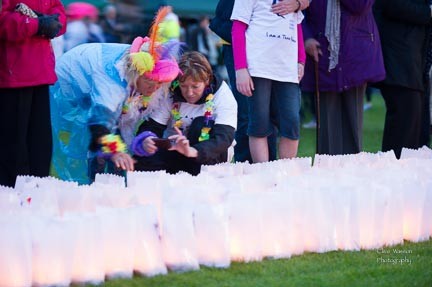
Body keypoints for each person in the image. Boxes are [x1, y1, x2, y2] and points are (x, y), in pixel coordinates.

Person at [50, 6, 181, 184]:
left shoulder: (149, 75)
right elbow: (100, 122)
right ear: (137, 74)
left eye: (160, 84)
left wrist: (129, 146)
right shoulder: (112, 81)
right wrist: (115, 150)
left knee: (115, 140)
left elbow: (129, 122)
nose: (155, 88)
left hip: (99, 83)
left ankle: (111, 183)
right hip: (71, 87)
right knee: (79, 141)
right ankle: (80, 187)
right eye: (150, 83)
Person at [210, 0, 310, 163]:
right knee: (258, 123)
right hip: (258, 67)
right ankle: (261, 171)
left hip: (286, 69)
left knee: (291, 124)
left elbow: (297, 24)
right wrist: (241, 68)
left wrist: (301, 59)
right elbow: (238, 28)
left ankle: (287, 171)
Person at [132, 51, 237, 175]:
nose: (189, 92)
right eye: (184, 86)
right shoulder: (170, 92)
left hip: (208, 153)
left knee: (200, 123)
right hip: (176, 149)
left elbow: (224, 138)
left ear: (207, 80)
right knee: (142, 159)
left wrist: (192, 151)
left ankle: (195, 175)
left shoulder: (222, 94)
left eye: (195, 86)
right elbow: (153, 126)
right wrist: (147, 139)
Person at [301, 0, 386, 155]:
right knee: (327, 125)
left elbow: (361, 6)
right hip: (322, 54)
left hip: (354, 54)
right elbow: (298, 11)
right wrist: (305, 38)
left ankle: (352, 171)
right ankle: (327, 170)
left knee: (352, 122)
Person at [0, 0, 66, 187]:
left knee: (40, 143)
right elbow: (3, 21)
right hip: (13, 76)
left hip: (41, 74)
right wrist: (36, 25)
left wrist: (52, 23)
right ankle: (11, 194)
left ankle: (38, 192)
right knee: (14, 145)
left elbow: (60, 15)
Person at [373, 0, 431, 159]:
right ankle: (394, 172)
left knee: (416, 128)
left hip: (414, 62)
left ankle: (405, 172)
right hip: (399, 60)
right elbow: (394, 5)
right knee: (405, 123)